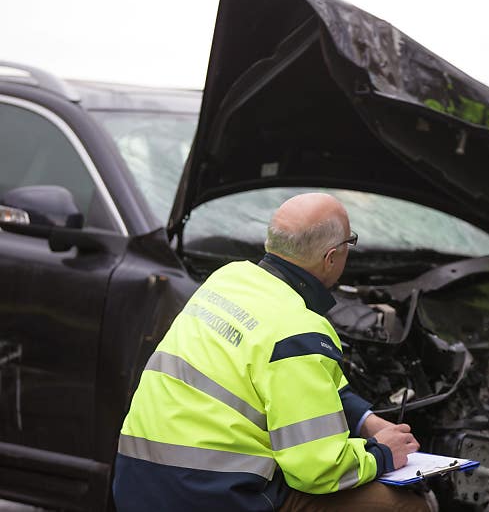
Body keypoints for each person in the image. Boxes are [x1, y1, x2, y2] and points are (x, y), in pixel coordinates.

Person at [113, 192, 430, 511]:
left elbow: (308, 384)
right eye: (350, 242)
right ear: (331, 257)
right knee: (405, 505)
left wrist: (366, 420)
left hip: (138, 485)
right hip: (213, 499)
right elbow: (319, 470)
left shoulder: (226, 281)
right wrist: (383, 453)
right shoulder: (298, 330)